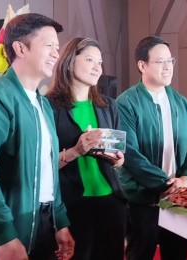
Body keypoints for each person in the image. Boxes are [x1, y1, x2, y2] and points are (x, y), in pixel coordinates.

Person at [0, 13, 74, 260]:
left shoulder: (42, 103)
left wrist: (60, 221)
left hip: (41, 224)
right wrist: (4, 234)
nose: (56, 54)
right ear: (20, 48)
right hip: (0, 235)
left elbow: (48, 169)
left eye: (57, 48)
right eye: (48, 46)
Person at [116, 36, 187, 260]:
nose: (167, 67)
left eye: (170, 61)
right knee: (139, 255)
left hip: (178, 201)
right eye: (160, 61)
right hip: (143, 201)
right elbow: (130, 152)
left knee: (177, 254)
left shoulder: (182, 103)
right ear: (142, 65)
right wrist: (164, 184)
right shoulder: (126, 102)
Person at [46, 37, 127, 260]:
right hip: (71, 206)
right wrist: (76, 150)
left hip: (111, 201)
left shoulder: (109, 105)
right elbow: (41, 164)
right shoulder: (48, 106)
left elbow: (121, 155)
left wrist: (118, 159)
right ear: (70, 62)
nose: (97, 67)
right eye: (90, 59)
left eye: (100, 62)